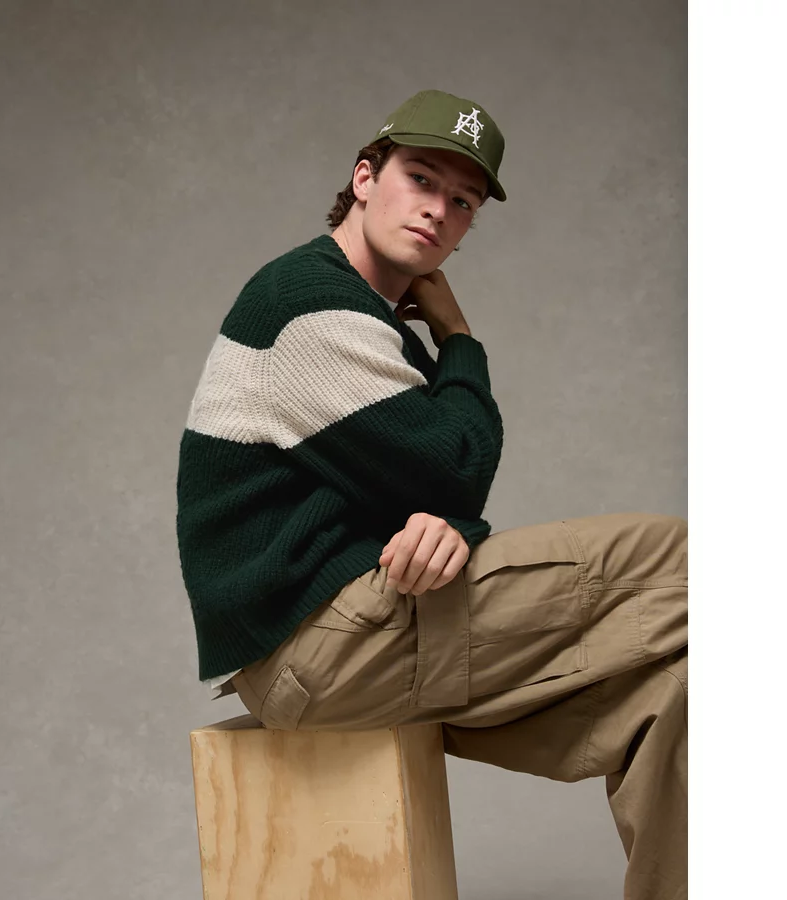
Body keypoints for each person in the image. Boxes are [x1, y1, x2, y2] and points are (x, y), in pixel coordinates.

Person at [176, 89, 687, 900]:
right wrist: (458, 337)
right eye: (421, 179)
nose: (438, 211)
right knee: (681, 559)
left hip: (358, 634)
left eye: (463, 201)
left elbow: (409, 484)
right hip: (318, 649)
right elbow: (453, 467)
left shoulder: (369, 322)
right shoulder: (308, 304)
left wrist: (445, 519)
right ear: (365, 177)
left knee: (673, 698)